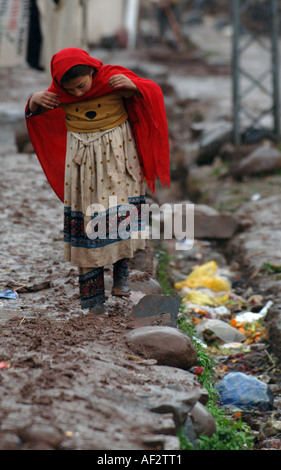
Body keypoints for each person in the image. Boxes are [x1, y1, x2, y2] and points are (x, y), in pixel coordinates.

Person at [25, 47, 170, 315]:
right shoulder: (58, 94)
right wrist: (33, 101)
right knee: (88, 218)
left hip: (119, 154)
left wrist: (134, 86)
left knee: (121, 208)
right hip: (82, 165)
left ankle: (121, 275)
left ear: (92, 71)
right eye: (72, 90)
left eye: (81, 86)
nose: (78, 94)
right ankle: (93, 299)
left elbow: (151, 92)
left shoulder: (113, 80)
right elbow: (37, 115)